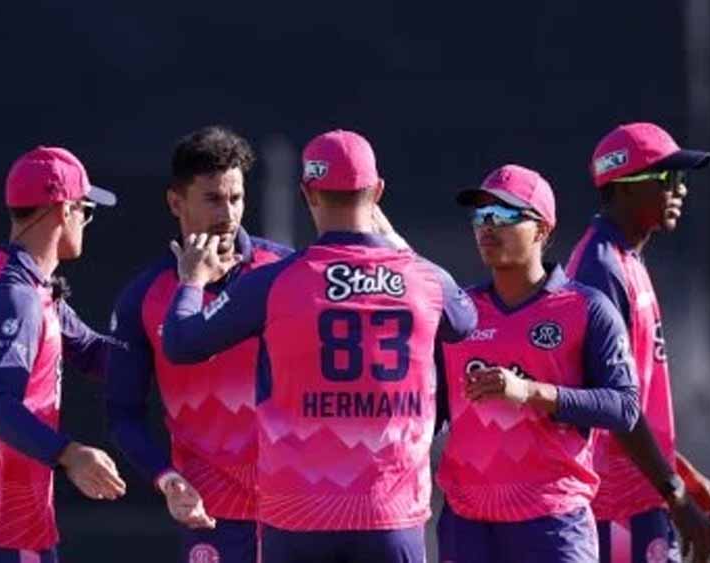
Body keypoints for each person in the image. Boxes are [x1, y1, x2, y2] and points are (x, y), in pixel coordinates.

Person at [160, 129, 476, 562]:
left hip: (296, 518)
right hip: (390, 517)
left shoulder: (274, 282)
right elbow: (465, 322)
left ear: (308, 193)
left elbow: (181, 343)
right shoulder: (425, 279)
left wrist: (192, 281)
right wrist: (399, 247)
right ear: (378, 192)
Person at [0, 146, 126, 562]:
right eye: (85, 211)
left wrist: (177, 355)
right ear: (64, 210)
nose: (86, 222)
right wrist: (71, 455)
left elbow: (90, 349)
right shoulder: (20, 296)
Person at [436, 164, 640, 562]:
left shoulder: (586, 308)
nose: (487, 226)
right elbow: (433, 409)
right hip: (467, 524)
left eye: (504, 214)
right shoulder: (459, 312)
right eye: (481, 215)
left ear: (542, 229)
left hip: (553, 520)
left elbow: (624, 407)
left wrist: (530, 392)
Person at [106, 126, 291, 563]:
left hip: (296, 511)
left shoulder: (285, 273)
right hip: (211, 517)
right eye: (212, 199)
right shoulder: (144, 296)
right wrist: (166, 478)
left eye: (236, 198)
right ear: (176, 202)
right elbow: (122, 413)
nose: (228, 214)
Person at [567, 122, 710, 563]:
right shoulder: (600, 268)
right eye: (667, 178)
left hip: (637, 493)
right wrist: (676, 494)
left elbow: (635, 397)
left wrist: (677, 469)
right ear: (624, 186)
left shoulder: (625, 258)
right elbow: (612, 402)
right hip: (614, 505)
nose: (681, 189)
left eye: (682, 178)